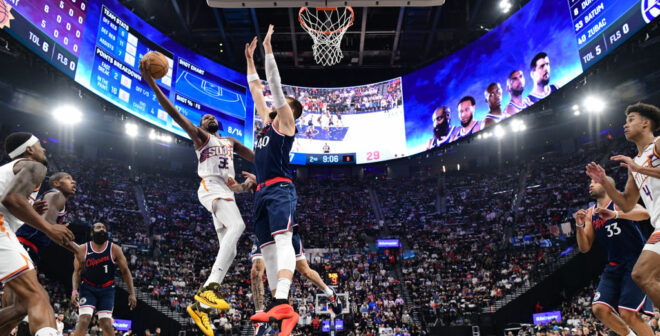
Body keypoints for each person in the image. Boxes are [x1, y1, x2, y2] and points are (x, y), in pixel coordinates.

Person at [139, 54, 256, 336]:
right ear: (201, 127)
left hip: (225, 190)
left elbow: (248, 168)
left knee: (230, 249)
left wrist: (254, 180)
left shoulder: (229, 142)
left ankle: (201, 306)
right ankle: (209, 291)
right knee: (238, 227)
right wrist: (153, 84)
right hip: (210, 188)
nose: (209, 117)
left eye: (212, 115)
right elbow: (174, 114)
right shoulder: (201, 138)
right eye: (204, 117)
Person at [245, 25, 303, 336]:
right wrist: (250, 60)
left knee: (282, 241)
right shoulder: (267, 127)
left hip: (281, 188)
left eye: (283, 104)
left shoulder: (286, 124)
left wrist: (268, 50)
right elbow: (257, 90)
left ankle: (283, 300)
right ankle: (277, 306)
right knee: (267, 249)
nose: (276, 105)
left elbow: (275, 88)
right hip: (261, 192)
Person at [585, 103, 660, 310]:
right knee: (641, 275)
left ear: (646, 123)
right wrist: (605, 182)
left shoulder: (658, 144)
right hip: (658, 225)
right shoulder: (634, 162)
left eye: (631, 119)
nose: (625, 125)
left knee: (641, 274)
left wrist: (640, 169)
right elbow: (627, 204)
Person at [0, 132, 74, 336]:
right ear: (29, 150)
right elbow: (11, 199)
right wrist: (49, 227)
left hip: (6, 228)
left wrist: (31, 209)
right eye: (40, 145)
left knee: (23, 306)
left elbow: (12, 200)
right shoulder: (35, 166)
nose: (44, 149)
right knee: (37, 297)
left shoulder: (10, 171)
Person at [574, 177, 654, 336]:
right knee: (599, 309)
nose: (590, 184)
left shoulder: (619, 202)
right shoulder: (591, 213)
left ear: (607, 184)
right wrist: (579, 226)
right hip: (614, 264)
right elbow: (584, 248)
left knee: (627, 313)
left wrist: (616, 214)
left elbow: (644, 214)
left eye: (594, 182)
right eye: (589, 183)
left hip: (636, 260)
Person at [71, 223, 135, 336]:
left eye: (104, 228)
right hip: (87, 288)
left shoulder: (115, 249)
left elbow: (125, 271)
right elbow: (77, 272)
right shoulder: (82, 249)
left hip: (107, 289)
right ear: (92, 233)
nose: (102, 230)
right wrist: (74, 290)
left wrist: (132, 293)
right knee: (84, 320)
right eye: (98, 227)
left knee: (106, 324)